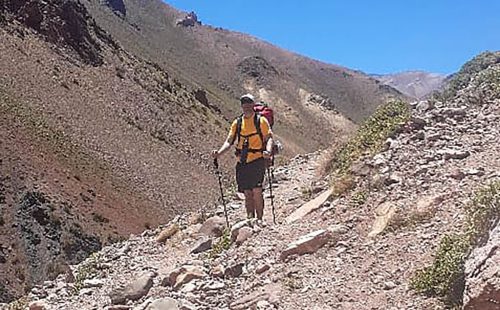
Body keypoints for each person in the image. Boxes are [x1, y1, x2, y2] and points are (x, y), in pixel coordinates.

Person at [212, 94, 274, 221]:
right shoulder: (237, 123)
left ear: (253, 104)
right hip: (242, 162)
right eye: (243, 103)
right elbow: (229, 141)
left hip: (257, 160)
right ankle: (250, 219)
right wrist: (219, 153)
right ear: (241, 105)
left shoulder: (261, 121)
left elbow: (269, 138)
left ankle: (260, 220)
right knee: (247, 193)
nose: (246, 105)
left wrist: (268, 151)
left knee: (257, 191)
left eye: (248, 102)